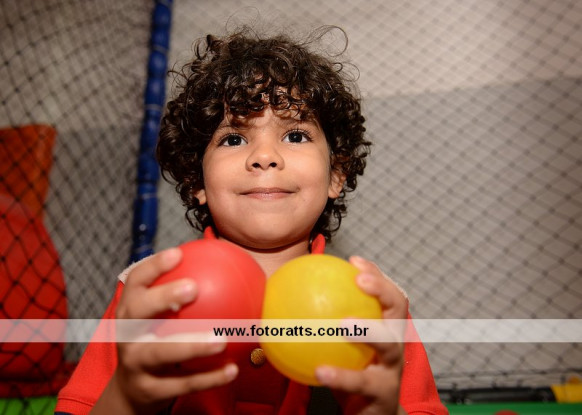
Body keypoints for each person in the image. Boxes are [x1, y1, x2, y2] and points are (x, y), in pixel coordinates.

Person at [55, 26, 447, 415]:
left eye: (295, 135)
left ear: (336, 174)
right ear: (196, 180)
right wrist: (126, 396)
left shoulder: (373, 303)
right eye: (233, 139)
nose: (264, 156)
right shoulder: (151, 292)